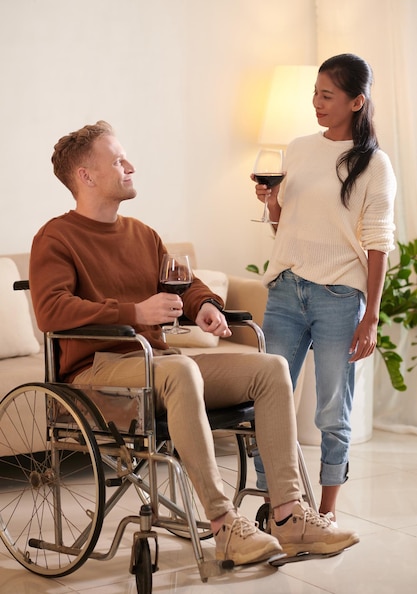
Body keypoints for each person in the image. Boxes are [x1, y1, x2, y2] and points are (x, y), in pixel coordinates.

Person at [30, 120, 359, 567]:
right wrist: (134, 313)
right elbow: (51, 311)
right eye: (117, 160)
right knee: (180, 368)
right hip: (97, 374)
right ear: (86, 176)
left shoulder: (140, 234)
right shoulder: (56, 237)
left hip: (155, 367)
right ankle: (224, 525)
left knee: (271, 368)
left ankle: (289, 515)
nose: (130, 165)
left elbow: (185, 284)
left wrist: (205, 306)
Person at [252, 53, 397, 520]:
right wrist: (272, 202)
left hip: (339, 297)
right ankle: (277, 506)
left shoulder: (375, 165)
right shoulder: (297, 148)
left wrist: (370, 317)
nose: (316, 102)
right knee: (268, 403)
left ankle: (327, 512)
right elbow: (284, 228)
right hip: (286, 291)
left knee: (333, 410)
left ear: (357, 102)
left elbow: (378, 246)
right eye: (314, 93)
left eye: (327, 95)